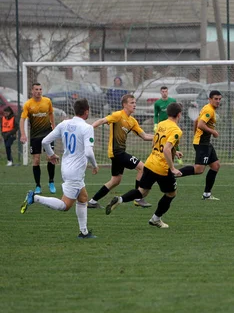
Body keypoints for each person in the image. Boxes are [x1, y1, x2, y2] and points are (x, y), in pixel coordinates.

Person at [20, 98, 99, 239]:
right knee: (65, 205)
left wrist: (51, 155)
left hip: (66, 167)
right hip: (75, 172)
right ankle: (35, 198)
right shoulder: (87, 128)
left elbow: (45, 141)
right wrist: (94, 165)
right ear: (86, 111)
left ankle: (84, 232)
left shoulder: (64, 124)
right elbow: (88, 152)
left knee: (83, 198)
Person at [105, 103, 184, 228]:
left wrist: (175, 151)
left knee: (142, 191)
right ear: (179, 114)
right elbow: (166, 149)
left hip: (150, 163)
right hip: (162, 168)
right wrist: (173, 168)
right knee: (171, 194)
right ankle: (155, 219)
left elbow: (156, 143)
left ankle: (120, 199)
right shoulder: (176, 130)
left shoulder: (161, 124)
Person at [87, 94, 154, 209]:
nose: (135, 105)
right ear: (124, 105)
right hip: (116, 152)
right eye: (132, 103)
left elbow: (144, 136)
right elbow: (103, 120)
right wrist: (88, 129)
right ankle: (138, 198)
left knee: (115, 180)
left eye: (135, 103)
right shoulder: (118, 115)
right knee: (143, 168)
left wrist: (159, 137)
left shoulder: (132, 121)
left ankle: (92, 201)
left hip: (119, 153)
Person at [177, 90, 222, 200]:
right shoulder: (209, 110)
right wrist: (213, 132)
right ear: (210, 99)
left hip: (204, 142)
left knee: (215, 166)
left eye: (219, 99)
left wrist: (195, 135)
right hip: (202, 143)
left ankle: (207, 194)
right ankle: (172, 174)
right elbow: (201, 124)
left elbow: (196, 121)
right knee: (199, 169)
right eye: (215, 99)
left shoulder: (207, 108)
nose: (218, 101)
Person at [19, 83, 56, 194]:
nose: (39, 91)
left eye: (40, 89)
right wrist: (23, 134)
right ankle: (38, 186)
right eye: (36, 89)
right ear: (32, 91)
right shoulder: (28, 104)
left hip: (48, 134)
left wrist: (54, 127)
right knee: (36, 160)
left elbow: (51, 114)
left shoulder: (47, 101)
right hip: (35, 136)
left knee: (51, 158)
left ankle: (51, 182)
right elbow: (22, 119)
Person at [154, 86, 182, 165]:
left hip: (171, 125)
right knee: (163, 141)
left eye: (165, 91)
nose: (164, 93)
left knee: (173, 141)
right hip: (162, 125)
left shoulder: (172, 101)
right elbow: (156, 115)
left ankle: (177, 156)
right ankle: (163, 158)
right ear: (160, 92)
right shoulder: (157, 103)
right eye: (162, 91)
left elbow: (176, 111)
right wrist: (156, 124)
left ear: (168, 92)